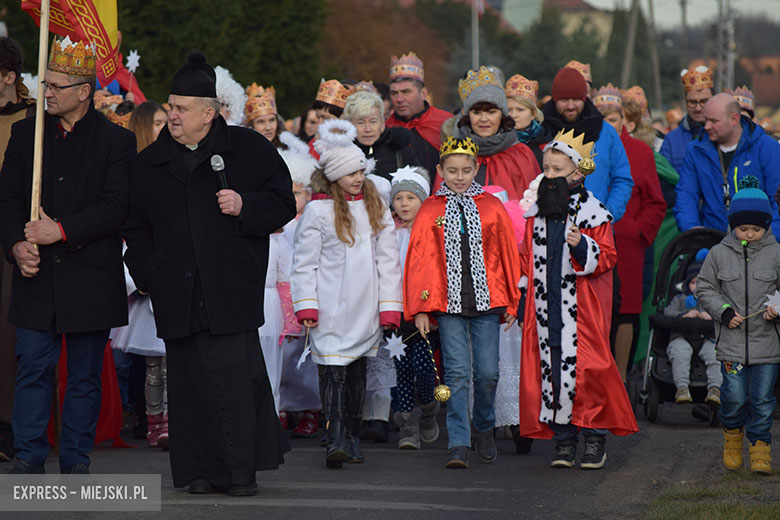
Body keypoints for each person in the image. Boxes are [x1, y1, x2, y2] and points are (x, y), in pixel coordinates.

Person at [122, 52, 294, 495]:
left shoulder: (249, 149)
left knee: (235, 383)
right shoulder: (149, 163)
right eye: (171, 106)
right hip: (176, 290)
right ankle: (197, 472)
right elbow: (134, 226)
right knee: (188, 387)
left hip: (230, 288)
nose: (173, 115)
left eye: (182, 108)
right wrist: (148, 273)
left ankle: (239, 474)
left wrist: (245, 205)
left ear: (209, 113)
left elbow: (283, 202)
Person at [0, 37, 135, 474]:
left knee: (84, 375)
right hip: (35, 276)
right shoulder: (27, 133)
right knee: (32, 368)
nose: (47, 92)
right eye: (46, 83)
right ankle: (29, 455)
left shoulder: (117, 141)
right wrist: (16, 245)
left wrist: (60, 230)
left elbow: (117, 206)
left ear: (84, 91)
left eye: (57, 86)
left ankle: (76, 459)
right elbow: (7, 200)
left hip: (90, 277)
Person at [517, 129, 638, 470]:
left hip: (582, 310)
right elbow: (526, 257)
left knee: (590, 370)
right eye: (546, 169)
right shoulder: (536, 213)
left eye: (557, 170)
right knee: (553, 368)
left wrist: (582, 245)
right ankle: (564, 438)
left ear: (577, 173)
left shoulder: (594, 213)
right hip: (546, 308)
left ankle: (595, 436)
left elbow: (608, 257)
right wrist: (523, 296)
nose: (549, 175)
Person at [290, 119, 402, 468]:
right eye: (351, 172)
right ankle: (335, 435)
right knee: (332, 373)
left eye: (361, 171)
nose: (358, 177)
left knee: (355, 375)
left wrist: (389, 306)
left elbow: (388, 261)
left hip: (365, 308)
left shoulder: (375, 207)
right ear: (335, 176)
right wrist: (307, 305)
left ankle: (352, 436)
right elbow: (304, 264)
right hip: (329, 310)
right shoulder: (317, 212)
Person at [405, 136, 522, 469]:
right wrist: (421, 308)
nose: (459, 177)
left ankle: (483, 427)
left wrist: (512, 301)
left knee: (487, 373)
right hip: (448, 304)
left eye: (466, 170)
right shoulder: (430, 209)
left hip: (488, 302)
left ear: (476, 169)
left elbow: (507, 253)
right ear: (440, 170)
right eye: (452, 170)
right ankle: (458, 442)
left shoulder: (492, 206)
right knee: (456, 374)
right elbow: (419, 260)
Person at [695, 177, 780, 475]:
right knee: (733, 397)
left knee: (763, 400)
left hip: (767, 345)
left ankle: (760, 447)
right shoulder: (718, 254)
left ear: (766, 226)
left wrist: (776, 308)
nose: (750, 234)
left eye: (757, 229)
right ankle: (732, 437)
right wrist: (723, 311)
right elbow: (705, 288)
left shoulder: (776, 253)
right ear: (733, 226)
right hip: (731, 344)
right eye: (744, 229)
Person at [593, 84, 666, 382]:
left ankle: (621, 379)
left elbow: (655, 202)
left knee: (626, 310)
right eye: (601, 118)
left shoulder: (640, 152)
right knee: (594, 309)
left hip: (627, 246)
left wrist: (638, 232)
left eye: (612, 119)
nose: (607, 125)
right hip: (591, 242)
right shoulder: (584, 147)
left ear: (624, 120)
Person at [110, 100, 171, 449]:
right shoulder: (133, 167)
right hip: (144, 266)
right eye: (158, 122)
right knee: (151, 362)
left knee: (174, 359)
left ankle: (177, 420)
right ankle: (153, 420)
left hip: (172, 265)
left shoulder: (174, 161)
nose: (166, 126)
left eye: (167, 120)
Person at [0, 36, 36, 463]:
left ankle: (8, 425)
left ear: (9, 76)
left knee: (11, 333)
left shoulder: (33, 119)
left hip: (16, 235)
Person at [675, 93, 780, 238]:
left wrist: (767, 238)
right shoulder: (695, 150)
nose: (707, 126)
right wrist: (692, 230)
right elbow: (686, 195)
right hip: (713, 241)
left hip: (759, 241)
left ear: (734, 119)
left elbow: (777, 200)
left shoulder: (766, 147)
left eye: (713, 121)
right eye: (706, 120)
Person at [387, 166, 439, 450]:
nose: (404, 204)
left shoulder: (431, 231)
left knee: (424, 366)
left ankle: (429, 408)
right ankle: (408, 424)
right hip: (396, 313)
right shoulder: (387, 233)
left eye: (411, 198)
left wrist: (428, 308)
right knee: (403, 368)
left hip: (424, 313)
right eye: (399, 198)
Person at [541, 67, 633, 222]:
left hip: (595, 225)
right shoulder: (542, 131)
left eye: (576, 99)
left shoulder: (605, 132)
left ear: (584, 98)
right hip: (548, 224)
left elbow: (622, 179)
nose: (571, 106)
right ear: (555, 99)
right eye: (564, 100)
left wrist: (607, 213)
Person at [440, 66, 538, 200]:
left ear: (502, 114)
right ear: (466, 114)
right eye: (476, 112)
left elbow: (532, 203)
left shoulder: (521, 155)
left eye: (491, 112)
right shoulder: (453, 153)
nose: (483, 119)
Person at [663, 251, 721, 404]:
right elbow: (667, 313)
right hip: (682, 337)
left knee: (716, 355)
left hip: (708, 339)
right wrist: (683, 315)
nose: (697, 287)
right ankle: (682, 388)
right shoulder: (680, 299)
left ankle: (715, 389)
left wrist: (711, 316)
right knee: (679, 352)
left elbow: (723, 313)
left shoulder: (714, 301)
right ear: (687, 284)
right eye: (693, 282)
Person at [385, 52, 452, 178]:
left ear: (423, 93)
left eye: (406, 92)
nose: (399, 99)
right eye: (394, 93)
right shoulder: (385, 128)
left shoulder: (446, 123)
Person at [343, 90, 420, 183]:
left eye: (373, 121)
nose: (368, 129)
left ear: (382, 123)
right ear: (349, 125)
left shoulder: (400, 150)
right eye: (360, 122)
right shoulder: (341, 154)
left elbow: (418, 185)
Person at [659, 66, 713, 173]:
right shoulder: (671, 140)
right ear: (685, 101)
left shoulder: (724, 135)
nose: (698, 108)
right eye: (692, 102)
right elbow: (663, 178)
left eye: (704, 101)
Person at [505, 74, 545, 169]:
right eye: (509, 110)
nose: (513, 115)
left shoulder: (545, 148)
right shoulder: (496, 144)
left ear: (533, 114)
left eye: (520, 110)